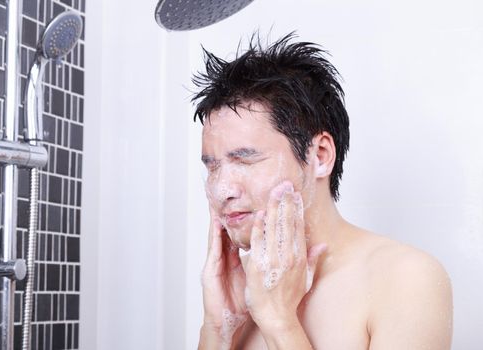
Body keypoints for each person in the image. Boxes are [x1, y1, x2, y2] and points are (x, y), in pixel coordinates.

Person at [192, 33, 453, 349]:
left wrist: (279, 322)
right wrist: (217, 328)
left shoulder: (405, 278)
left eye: (245, 160)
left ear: (320, 155)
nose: (222, 190)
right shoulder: (238, 292)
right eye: (213, 166)